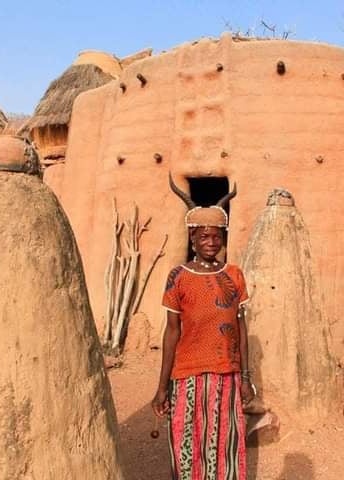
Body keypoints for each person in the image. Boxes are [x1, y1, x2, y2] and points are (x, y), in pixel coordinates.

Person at [152, 174, 254, 479]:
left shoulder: (234, 275)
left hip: (227, 374)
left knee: (225, 447)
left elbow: (242, 329)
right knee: (187, 447)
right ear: (192, 239)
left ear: (222, 238)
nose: (211, 243)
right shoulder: (178, 277)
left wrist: (247, 377)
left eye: (216, 237)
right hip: (186, 376)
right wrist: (161, 387)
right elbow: (172, 332)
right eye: (203, 237)